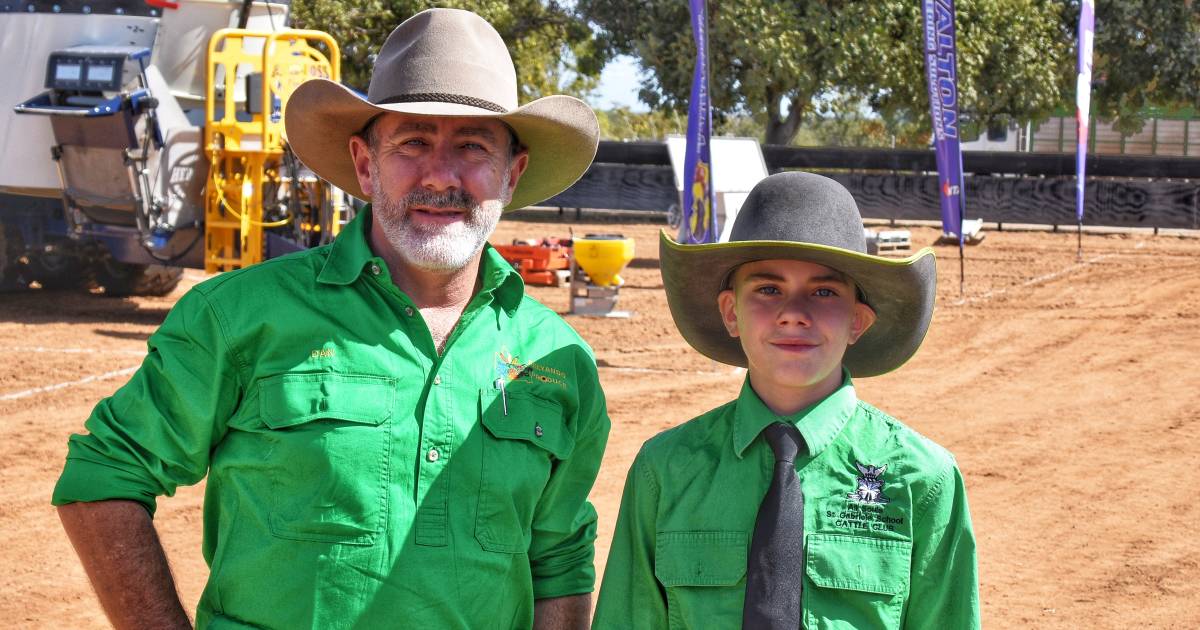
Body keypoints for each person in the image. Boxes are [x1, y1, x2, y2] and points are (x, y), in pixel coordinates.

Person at [52, 8, 609, 629]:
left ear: (513, 172)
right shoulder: (238, 316)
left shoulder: (556, 361)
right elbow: (104, 475)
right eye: (413, 142)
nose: (440, 175)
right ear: (365, 165)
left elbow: (557, 556)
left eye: (473, 146)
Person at [593, 172, 979, 629]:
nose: (794, 313)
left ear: (858, 321)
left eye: (824, 292)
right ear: (730, 313)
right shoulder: (667, 469)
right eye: (768, 289)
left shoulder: (921, 479)